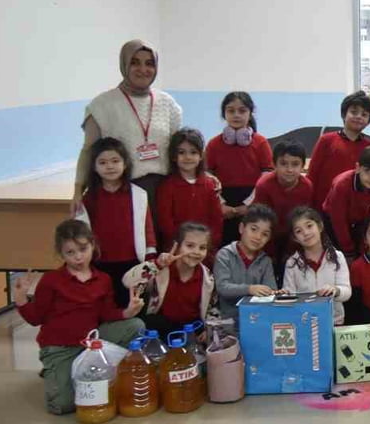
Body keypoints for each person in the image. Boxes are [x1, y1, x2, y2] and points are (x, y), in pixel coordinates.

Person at [13, 219, 145, 415]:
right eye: (70, 252)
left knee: (135, 325)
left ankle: (115, 373)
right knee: (64, 405)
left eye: (83, 249)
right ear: (61, 254)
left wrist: (127, 312)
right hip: (61, 349)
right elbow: (36, 318)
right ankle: (56, 371)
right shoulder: (51, 280)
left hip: (92, 342)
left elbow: (106, 313)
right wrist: (21, 299)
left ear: (93, 246)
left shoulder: (103, 279)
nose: (78, 257)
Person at [74, 39, 182, 214]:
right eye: (135, 62)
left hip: (165, 192)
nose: (143, 69)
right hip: (121, 192)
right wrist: (78, 192)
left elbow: (180, 149)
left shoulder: (168, 103)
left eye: (149, 63)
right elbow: (88, 151)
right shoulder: (101, 105)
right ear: (124, 64)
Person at [77, 137, 156, 308]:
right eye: (103, 162)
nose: (110, 166)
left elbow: (147, 228)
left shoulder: (139, 194)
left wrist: (150, 257)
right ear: (94, 167)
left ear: (125, 163)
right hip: (100, 262)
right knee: (105, 306)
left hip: (132, 261)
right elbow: (83, 231)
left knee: (131, 304)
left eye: (115, 161)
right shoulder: (89, 198)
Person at [205, 92, 274, 246]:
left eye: (242, 111)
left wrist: (249, 205)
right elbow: (207, 177)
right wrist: (220, 204)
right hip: (223, 201)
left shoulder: (261, 142)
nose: (236, 115)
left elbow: (267, 176)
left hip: (252, 201)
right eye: (230, 111)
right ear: (224, 114)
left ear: (250, 113)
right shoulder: (214, 144)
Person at [124, 222, 215, 336]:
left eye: (202, 248)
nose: (196, 252)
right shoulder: (160, 268)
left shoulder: (208, 277)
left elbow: (212, 309)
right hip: (160, 328)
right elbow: (128, 281)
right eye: (190, 246)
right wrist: (157, 265)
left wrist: (208, 329)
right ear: (177, 246)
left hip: (191, 328)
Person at [153, 128, 223, 262]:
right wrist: (182, 245)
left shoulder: (209, 185)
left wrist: (208, 244)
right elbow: (165, 222)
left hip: (204, 251)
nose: (188, 157)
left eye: (193, 152)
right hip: (176, 252)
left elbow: (216, 219)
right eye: (181, 152)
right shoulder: (167, 186)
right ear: (174, 156)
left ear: (201, 155)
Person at [282, 207, 352, 326]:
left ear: (319, 226)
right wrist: (285, 295)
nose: (306, 233)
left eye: (309, 226)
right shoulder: (292, 263)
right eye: (299, 231)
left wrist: (336, 290)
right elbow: (289, 297)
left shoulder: (337, 257)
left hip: (334, 322)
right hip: (303, 322)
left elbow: (347, 292)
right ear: (295, 238)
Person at [308, 91, 370, 211]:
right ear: (344, 115)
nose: (359, 117)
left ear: (369, 121)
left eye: (364, 114)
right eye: (354, 112)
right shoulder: (327, 140)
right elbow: (312, 174)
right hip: (323, 206)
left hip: (353, 209)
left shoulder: (369, 147)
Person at [252, 140, 314, 266]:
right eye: (284, 164)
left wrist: (293, 251)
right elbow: (261, 221)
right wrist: (269, 255)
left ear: (303, 166)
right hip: (268, 234)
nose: (289, 169)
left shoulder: (307, 187)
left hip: (294, 234)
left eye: (295, 164)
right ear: (274, 164)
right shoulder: (264, 185)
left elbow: (303, 220)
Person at [213, 204, 278, 323]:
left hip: (258, 320)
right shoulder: (225, 254)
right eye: (254, 229)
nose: (258, 237)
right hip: (229, 322)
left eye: (265, 234)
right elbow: (222, 287)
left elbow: (271, 289)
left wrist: (275, 293)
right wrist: (249, 289)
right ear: (242, 228)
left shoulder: (265, 261)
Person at [323, 145, 370, 257]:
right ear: (358, 167)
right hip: (332, 220)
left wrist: (363, 248)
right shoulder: (342, 185)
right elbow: (338, 220)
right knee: (336, 257)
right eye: (368, 171)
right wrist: (348, 249)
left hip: (359, 222)